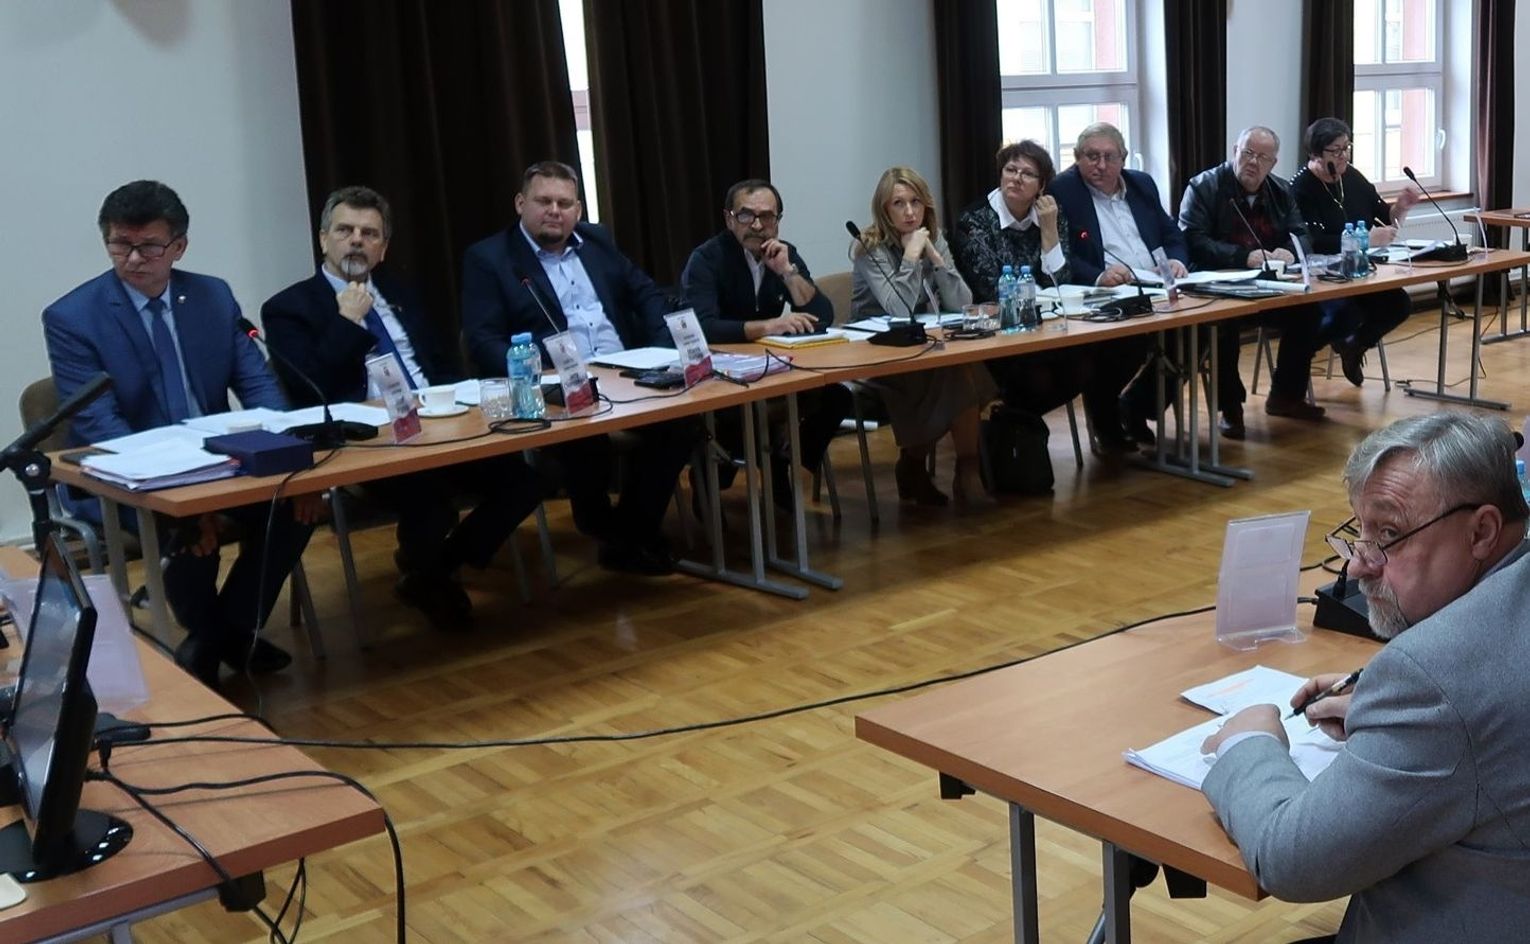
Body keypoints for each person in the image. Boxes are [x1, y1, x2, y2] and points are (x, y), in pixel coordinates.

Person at [1201, 412, 1530, 942]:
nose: (1358, 567)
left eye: (1390, 535)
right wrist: (1393, 714)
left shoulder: (1434, 679)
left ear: (1482, 531)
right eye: (1360, 532)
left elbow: (1293, 861)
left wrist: (1248, 742)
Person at [42, 180, 319, 687]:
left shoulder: (212, 296)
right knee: (187, 529)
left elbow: (258, 385)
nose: (133, 259)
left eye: (148, 246)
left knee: (296, 505)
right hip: (124, 476)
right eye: (120, 244)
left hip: (220, 462)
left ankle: (222, 633)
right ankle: (222, 636)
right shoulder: (73, 318)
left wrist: (290, 456)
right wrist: (182, 492)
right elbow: (102, 427)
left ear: (179, 246)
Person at [262, 185, 546, 627]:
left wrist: (460, 407)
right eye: (345, 230)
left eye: (370, 234)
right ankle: (430, 577)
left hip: (438, 423)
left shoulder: (401, 291)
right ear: (323, 239)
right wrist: (348, 319)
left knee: (524, 482)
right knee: (431, 501)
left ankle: (435, 568)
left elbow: (442, 363)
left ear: (384, 248)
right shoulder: (287, 308)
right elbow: (311, 389)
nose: (357, 241)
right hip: (366, 442)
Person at [460, 161, 693, 575]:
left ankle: (630, 532)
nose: (555, 211)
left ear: (578, 210)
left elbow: (646, 294)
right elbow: (482, 340)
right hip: (557, 386)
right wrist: (536, 377)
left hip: (626, 373)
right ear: (520, 204)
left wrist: (663, 353)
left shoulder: (596, 240)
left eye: (564, 203)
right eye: (544, 201)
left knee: (681, 424)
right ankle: (609, 528)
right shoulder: (490, 258)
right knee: (587, 439)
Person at [951, 140, 1136, 452]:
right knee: (1037, 377)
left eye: (1027, 174)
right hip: (999, 333)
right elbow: (989, 289)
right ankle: (1013, 432)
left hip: (1047, 326)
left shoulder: (1051, 214)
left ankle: (1012, 424)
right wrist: (1039, 293)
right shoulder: (975, 221)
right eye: (1010, 170)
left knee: (1086, 365)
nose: (1016, 179)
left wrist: (1049, 229)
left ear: (1041, 185)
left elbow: (1060, 281)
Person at [680, 179, 854, 491]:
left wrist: (787, 272)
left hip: (772, 369)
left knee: (836, 397)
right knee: (744, 415)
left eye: (767, 217)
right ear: (729, 219)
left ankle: (782, 466)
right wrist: (768, 326)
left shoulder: (783, 253)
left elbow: (822, 316)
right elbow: (702, 327)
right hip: (723, 376)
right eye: (746, 215)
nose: (757, 225)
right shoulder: (707, 259)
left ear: (778, 221)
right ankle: (713, 478)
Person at [849, 166, 996, 505]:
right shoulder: (869, 247)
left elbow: (962, 303)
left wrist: (937, 259)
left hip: (921, 346)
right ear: (884, 210)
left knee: (962, 367)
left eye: (915, 202)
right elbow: (899, 309)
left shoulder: (933, 236)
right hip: (877, 354)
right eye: (898, 204)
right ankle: (953, 472)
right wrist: (912, 257)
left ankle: (949, 468)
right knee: (956, 375)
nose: (909, 212)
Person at [1180, 126, 1326, 438]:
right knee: (1224, 325)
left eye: (1262, 157)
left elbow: (1302, 234)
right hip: (1219, 286)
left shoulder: (1281, 190)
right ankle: (1231, 409)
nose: (1253, 162)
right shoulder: (1203, 187)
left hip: (1267, 285)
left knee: (1308, 311)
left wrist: (1289, 251)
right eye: (1247, 153)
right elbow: (1193, 239)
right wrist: (1242, 257)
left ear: (1273, 163)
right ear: (1235, 151)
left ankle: (1286, 395)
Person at [1049, 122, 1190, 445]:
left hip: (1157, 285)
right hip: (1107, 294)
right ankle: (1107, 421)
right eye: (1091, 156)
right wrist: (1098, 276)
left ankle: (1135, 406)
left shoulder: (1141, 184)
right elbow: (1060, 255)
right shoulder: (1063, 191)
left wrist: (1175, 260)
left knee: (1198, 333)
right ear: (1077, 157)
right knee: (1128, 340)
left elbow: (1171, 233)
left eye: (1109, 157)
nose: (1100, 165)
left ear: (1123, 158)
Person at [1289, 117, 1421, 387]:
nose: (1343, 157)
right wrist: (1364, 241)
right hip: (1322, 278)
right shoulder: (1300, 189)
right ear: (1315, 154)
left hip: (1358, 273)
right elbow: (1312, 242)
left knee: (1399, 304)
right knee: (1347, 315)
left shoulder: (1352, 177)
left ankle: (1354, 346)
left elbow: (1385, 216)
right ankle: (1298, 357)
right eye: (1335, 151)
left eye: (1346, 148)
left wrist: (1401, 207)